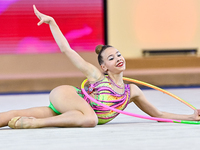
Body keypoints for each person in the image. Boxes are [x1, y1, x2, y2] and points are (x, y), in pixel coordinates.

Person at [0, 5, 200, 129]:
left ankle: (28, 120)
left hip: (73, 114)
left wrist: (191, 117)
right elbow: (67, 49)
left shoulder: (132, 92)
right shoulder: (96, 76)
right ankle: (34, 124)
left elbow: (160, 115)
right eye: (112, 58)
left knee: (14, 114)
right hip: (69, 97)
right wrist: (52, 22)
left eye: (119, 55)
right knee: (90, 119)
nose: (119, 58)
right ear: (104, 67)